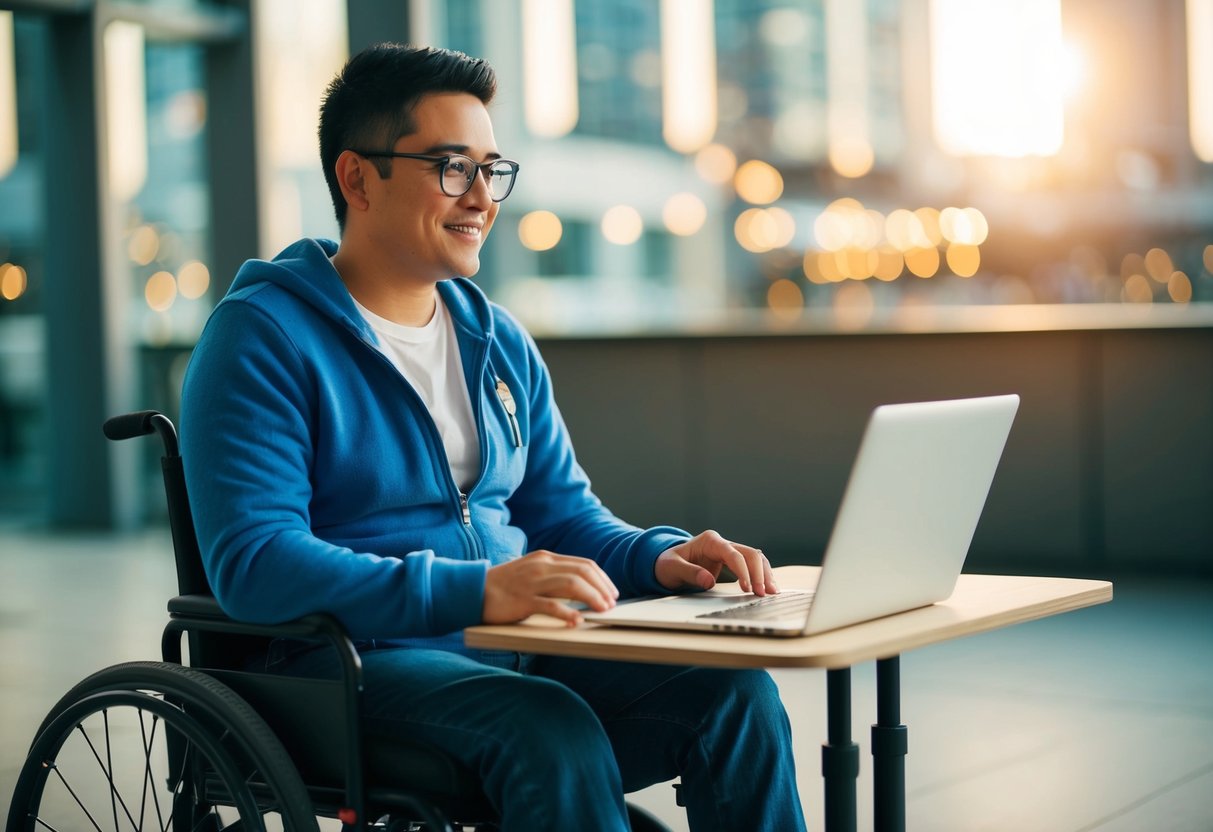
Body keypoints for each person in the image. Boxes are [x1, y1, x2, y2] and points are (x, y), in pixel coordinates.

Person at [180, 43, 806, 832]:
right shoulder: (262, 337)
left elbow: (563, 517)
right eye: (450, 167)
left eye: (491, 169)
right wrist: (477, 589)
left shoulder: (495, 339)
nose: (481, 196)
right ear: (355, 178)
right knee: (548, 724)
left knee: (731, 693)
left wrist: (656, 554)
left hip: (513, 654)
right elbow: (256, 562)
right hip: (344, 670)